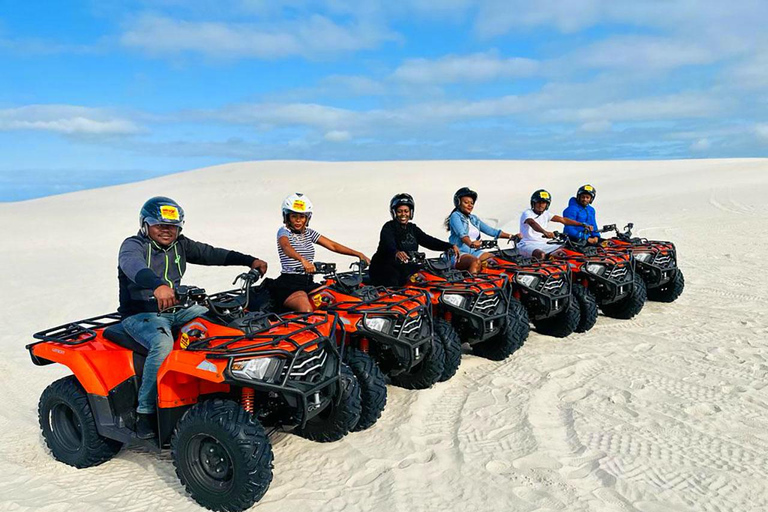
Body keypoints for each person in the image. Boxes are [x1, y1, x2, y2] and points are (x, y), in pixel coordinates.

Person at [118, 196, 267, 439]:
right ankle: (145, 410)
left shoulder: (181, 244)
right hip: (141, 313)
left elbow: (212, 254)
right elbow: (132, 266)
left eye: (172, 226)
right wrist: (157, 286)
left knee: (219, 321)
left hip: (177, 309)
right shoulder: (133, 245)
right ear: (145, 225)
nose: (167, 231)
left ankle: (228, 387)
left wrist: (249, 260)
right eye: (159, 225)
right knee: (162, 344)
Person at [272, 193, 370, 312]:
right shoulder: (284, 231)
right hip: (289, 284)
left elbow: (333, 245)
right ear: (287, 217)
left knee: (336, 300)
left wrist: (358, 254)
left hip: (308, 282)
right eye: (294, 216)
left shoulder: (309, 233)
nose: (298, 220)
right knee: (306, 310)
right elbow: (286, 247)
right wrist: (302, 260)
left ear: (307, 219)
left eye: (302, 217)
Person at [369, 193, 459, 286]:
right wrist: (396, 252)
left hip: (405, 268)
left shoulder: (412, 228)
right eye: (400, 211)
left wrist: (449, 246)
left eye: (406, 211)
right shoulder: (388, 227)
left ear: (410, 212)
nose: (403, 214)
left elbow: (428, 240)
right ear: (394, 212)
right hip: (384, 269)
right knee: (395, 280)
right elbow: (388, 243)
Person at [445, 187, 517, 273]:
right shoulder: (455, 216)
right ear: (458, 203)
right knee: (475, 262)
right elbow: (462, 235)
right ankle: (472, 284)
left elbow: (491, 231)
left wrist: (512, 236)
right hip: (459, 253)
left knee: (495, 260)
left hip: (474, 252)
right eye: (466, 202)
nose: (470, 205)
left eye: (472, 203)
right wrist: (471, 244)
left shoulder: (473, 218)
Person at [517, 189, 594, 259]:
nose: (541, 205)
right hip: (527, 244)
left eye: (543, 202)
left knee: (566, 250)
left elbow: (563, 220)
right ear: (533, 203)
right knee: (541, 255)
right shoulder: (527, 213)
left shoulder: (546, 214)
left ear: (547, 204)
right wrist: (545, 232)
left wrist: (582, 224)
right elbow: (532, 223)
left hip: (543, 244)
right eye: (538, 202)